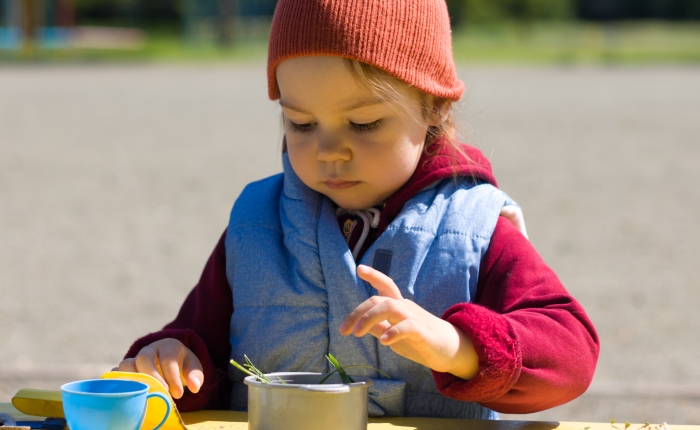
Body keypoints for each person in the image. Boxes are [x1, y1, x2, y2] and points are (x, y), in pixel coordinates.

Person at [115, 0, 599, 419]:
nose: (328, 150)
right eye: (301, 123)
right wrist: (170, 359)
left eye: (364, 123)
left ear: (434, 107)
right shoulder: (256, 224)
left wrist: (458, 347)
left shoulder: (471, 228)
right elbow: (200, 352)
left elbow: (571, 357)